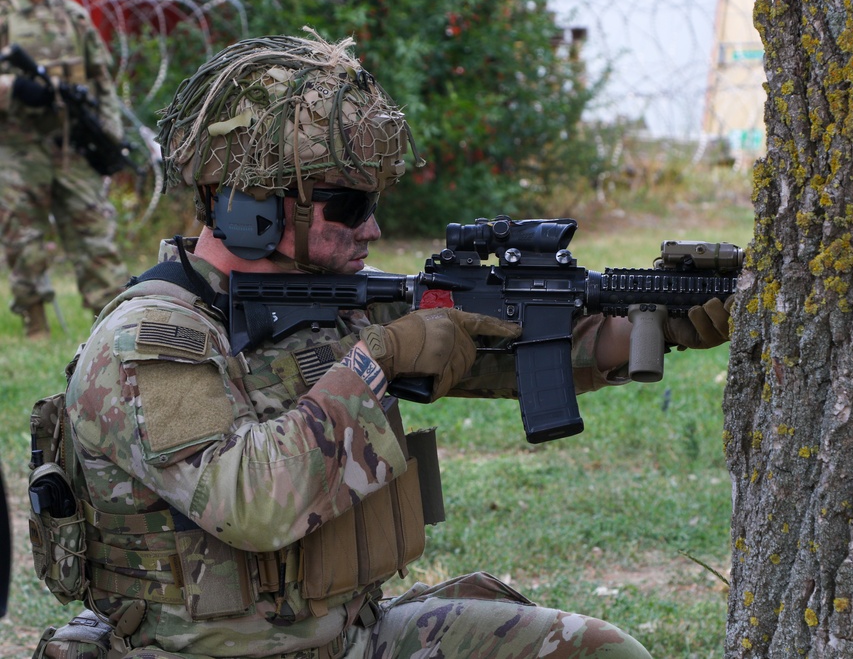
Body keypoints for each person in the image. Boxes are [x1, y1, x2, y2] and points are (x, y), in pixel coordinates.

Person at [31, 33, 731, 658]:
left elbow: (502, 346)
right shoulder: (149, 341)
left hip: (353, 638)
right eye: (351, 206)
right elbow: (250, 501)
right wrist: (379, 359)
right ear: (254, 207)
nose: (371, 229)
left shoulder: (333, 296)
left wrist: (647, 323)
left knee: (597, 650)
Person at [0, 0, 129, 339]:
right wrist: (14, 87)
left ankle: (111, 325)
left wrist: (110, 137)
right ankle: (36, 326)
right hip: (18, 148)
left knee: (96, 235)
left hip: (73, 145)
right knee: (23, 239)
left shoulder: (73, 14)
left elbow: (101, 80)